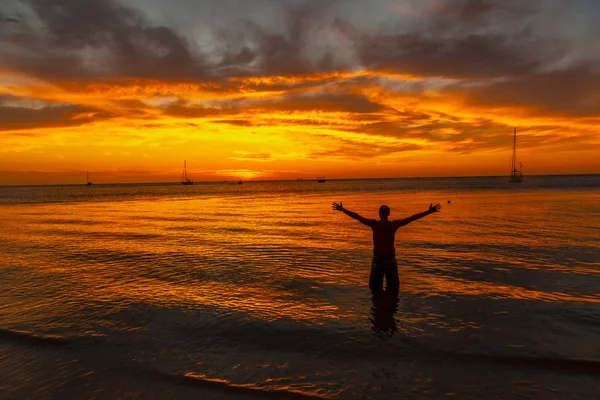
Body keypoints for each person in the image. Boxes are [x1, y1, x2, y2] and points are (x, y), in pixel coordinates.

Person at [332, 201, 441, 293]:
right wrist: (429, 212)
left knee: (375, 288)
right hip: (390, 259)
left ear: (379, 214)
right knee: (393, 288)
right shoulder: (394, 224)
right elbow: (412, 218)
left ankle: (378, 310)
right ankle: (390, 309)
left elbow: (358, 217)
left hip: (378, 259)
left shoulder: (374, 224)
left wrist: (343, 209)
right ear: (389, 213)